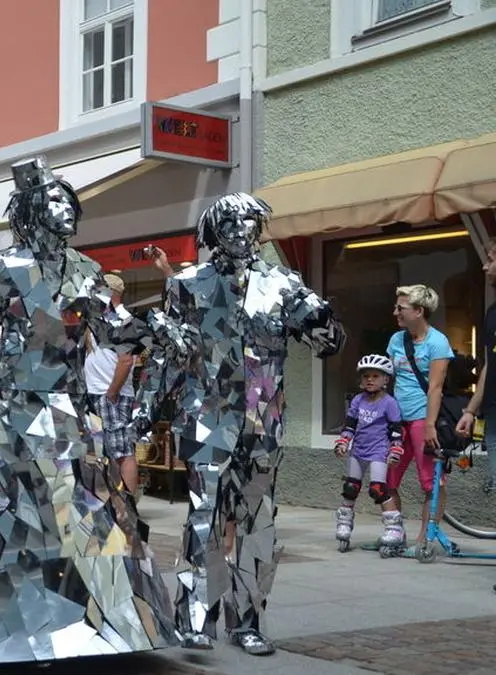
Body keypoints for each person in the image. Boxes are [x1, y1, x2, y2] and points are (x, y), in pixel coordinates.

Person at [0, 158, 183, 664]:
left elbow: (112, 327)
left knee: (90, 515)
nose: (66, 209)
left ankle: (103, 619)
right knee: (15, 519)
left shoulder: (85, 269)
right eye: (54, 201)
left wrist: (157, 329)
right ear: (30, 212)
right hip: (15, 408)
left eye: (70, 201)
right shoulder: (3, 267)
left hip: (69, 411)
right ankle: (12, 626)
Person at [136, 193, 344, 656]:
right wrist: (144, 411)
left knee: (258, 524)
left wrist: (323, 318)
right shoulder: (188, 284)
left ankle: (247, 620)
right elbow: (169, 355)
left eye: (249, 221)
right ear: (212, 230)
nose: (239, 230)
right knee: (204, 517)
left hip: (263, 420)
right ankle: (195, 617)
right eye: (228, 222)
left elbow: (326, 343)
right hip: (207, 415)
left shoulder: (282, 284)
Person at [386, 284, 453, 553]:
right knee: (386, 481)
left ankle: (425, 539)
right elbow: (388, 379)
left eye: (400, 308)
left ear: (418, 311)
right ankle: (395, 533)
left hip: (422, 419)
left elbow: (436, 387)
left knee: (431, 483)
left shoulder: (438, 342)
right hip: (396, 422)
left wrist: (429, 425)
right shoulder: (396, 340)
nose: (395, 313)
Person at [332, 355, 405, 551]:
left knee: (378, 490)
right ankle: (344, 525)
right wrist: (343, 442)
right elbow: (350, 425)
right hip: (358, 451)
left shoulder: (389, 403)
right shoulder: (358, 400)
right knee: (350, 488)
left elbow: (396, 431)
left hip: (378, 451)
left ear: (386, 380)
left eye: (375, 376)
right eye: (366, 376)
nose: (370, 380)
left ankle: (394, 528)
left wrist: (395, 450)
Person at [84, 274, 139, 494]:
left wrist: (112, 393)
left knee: (122, 451)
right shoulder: (102, 319)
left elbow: (125, 360)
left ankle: (126, 508)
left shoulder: (123, 319)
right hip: (99, 393)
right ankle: (113, 505)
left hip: (110, 394)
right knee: (104, 451)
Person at [455, 240, 496, 492]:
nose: (484, 266)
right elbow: (490, 364)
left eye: (491, 259)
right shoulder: (492, 313)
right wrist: (470, 410)